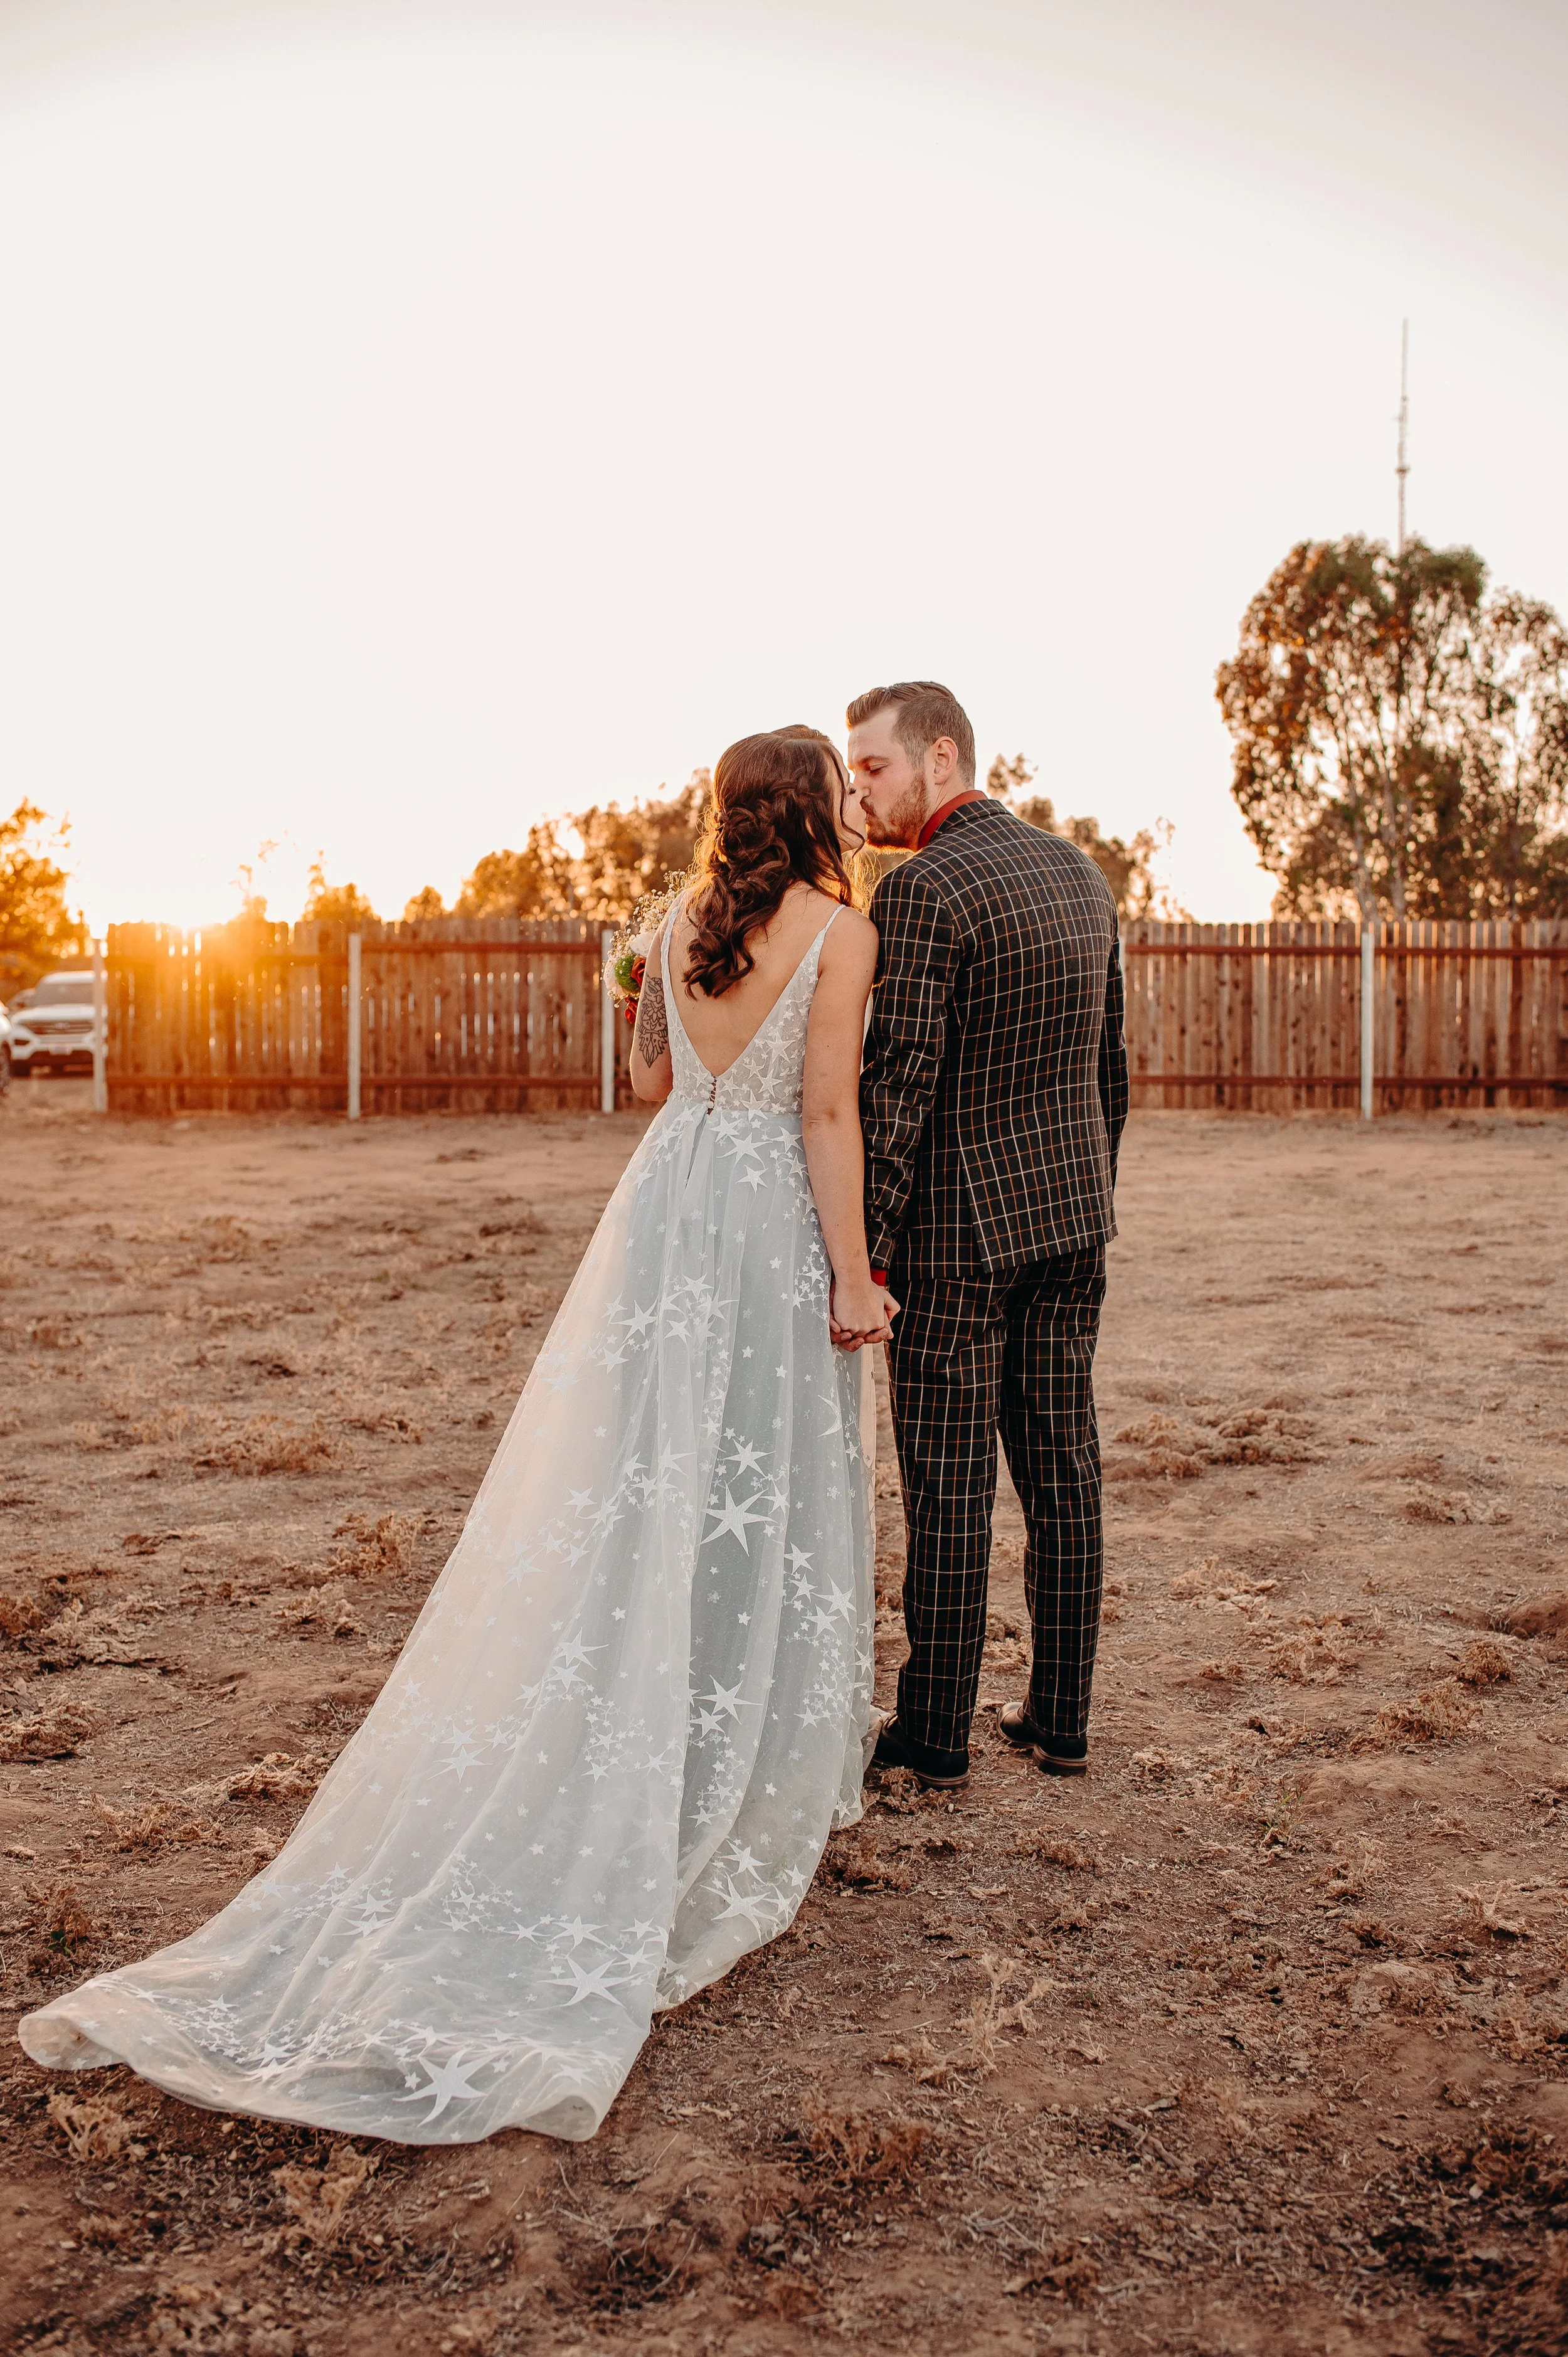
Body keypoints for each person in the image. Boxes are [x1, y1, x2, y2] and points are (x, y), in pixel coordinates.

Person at [21, 728, 894, 2146]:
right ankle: (723, 1738)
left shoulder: (673, 926)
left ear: (725, 816)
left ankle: (651, 1702)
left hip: (665, 1217)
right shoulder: (841, 933)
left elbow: (658, 1096)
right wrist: (851, 1277)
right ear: (811, 815)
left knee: (643, 1480)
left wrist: (640, 1007)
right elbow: (823, 1108)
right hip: (764, 1234)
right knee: (755, 1474)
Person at [837, 681, 1127, 1789]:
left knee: (951, 1484)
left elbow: (897, 1087)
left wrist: (868, 1250)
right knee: (1065, 1469)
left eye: (872, 766)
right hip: (1071, 1221)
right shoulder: (1079, 872)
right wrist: (1091, 1195)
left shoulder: (924, 891)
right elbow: (1112, 1071)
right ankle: (1061, 1722)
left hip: (956, 1241)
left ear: (939, 757)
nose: (859, 787)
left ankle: (935, 1734)